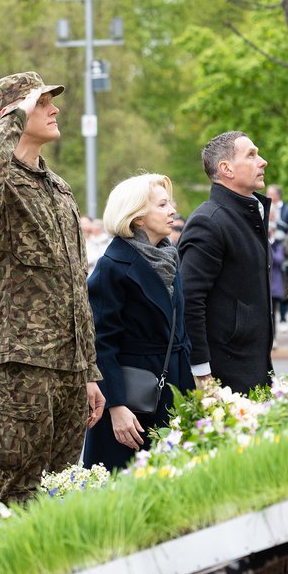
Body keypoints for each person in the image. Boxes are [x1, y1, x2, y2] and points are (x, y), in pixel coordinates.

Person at [0, 72, 102, 518]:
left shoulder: (58, 188)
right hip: (20, 368)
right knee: (14, 500)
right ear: (12, 116)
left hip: (69, 368)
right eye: (41, 103)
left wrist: (89, 371)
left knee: (61, 496)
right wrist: (11, 120)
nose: (55, 109)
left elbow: (76, 288)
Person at [83, 174, 194, 471]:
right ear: (137, 217)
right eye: (162, 204)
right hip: (133, 403)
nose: (173, 209)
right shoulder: (112, 266)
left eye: (170, 202)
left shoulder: (168, 256)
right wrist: (116, 406)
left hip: (174, 386)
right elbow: (101, 344)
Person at [178, 131, 274, 392]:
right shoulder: (209, 222)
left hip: (252, 367)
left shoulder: (249, 216)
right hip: (223, 376)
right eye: (251, 155)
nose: (262, 161)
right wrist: (202, 372)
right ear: (226, 169)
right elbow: (190, 300)